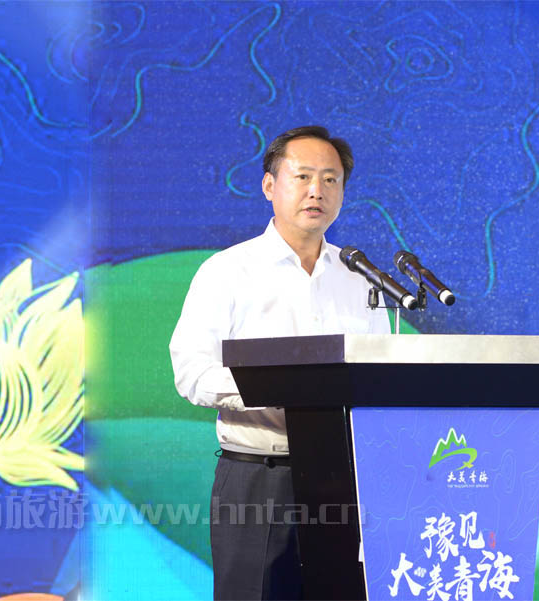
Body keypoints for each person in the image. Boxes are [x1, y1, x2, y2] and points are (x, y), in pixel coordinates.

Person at [169, 125, 390, 600]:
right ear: (270, 185)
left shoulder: (360, 278)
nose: (317, 190)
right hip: (259, 477)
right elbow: (191, 373)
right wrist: (278, 388)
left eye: (330, 179)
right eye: (303, 176)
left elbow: (379, 376)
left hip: (345, 480)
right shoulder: (227, 271)